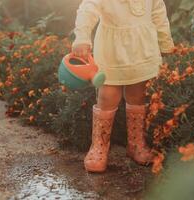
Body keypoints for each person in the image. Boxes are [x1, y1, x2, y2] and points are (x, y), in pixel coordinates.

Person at [72, 0, 174, 172]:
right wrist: (82, 37)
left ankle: (136, 144)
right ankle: (99, 147)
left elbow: (158, 13)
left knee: (138, 95)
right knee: (107, 96)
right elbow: (88, 8)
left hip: (141, 50)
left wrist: (165, 42)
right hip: (111, 51)